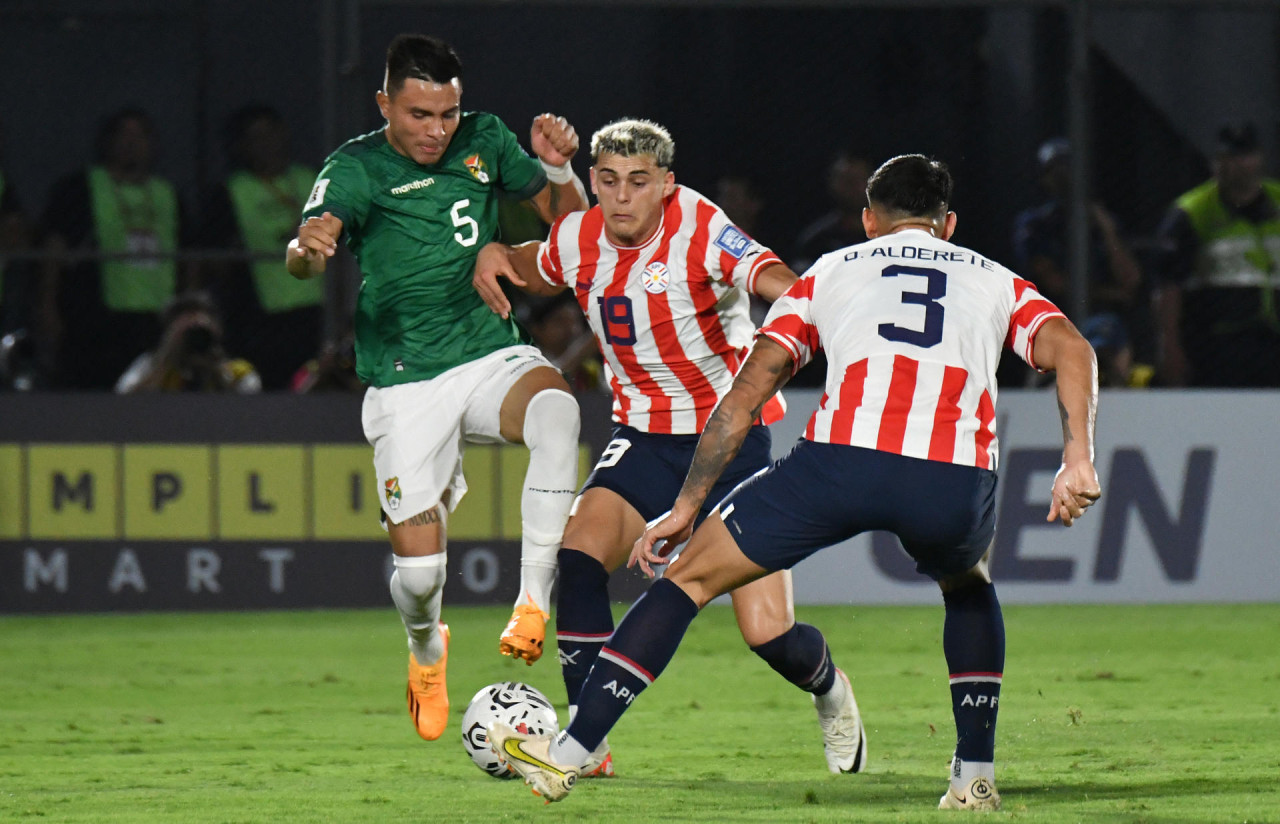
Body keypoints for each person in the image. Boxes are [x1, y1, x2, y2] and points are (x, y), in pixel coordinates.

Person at [490, 154, 1102, 811]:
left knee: (688, 579)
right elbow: (1072, 349)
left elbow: (745, 397)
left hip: (840, 462)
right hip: (951, 475)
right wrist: (1078, 457)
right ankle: (974, 776)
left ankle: (569, 756)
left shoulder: (831, 270)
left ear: (868, 221)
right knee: (968, 585)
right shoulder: (996, 279)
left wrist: (686, 507)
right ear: (947, 224)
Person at [473, 119, 866, 781]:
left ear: (666, 185)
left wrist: (818, 307)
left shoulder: (701, 228)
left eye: (638, 182)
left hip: (728, 445)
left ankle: (830, 690)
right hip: (643, 438)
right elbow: (537, 270)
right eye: (608, 182)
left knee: (768, 634)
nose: (621, 197)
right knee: (577, 558)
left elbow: (767, 273)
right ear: (593, 182)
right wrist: (495, 254)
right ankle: (586, 743)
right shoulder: (580, 236)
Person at [286, 34, 589, 743]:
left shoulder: (484, 140)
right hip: (405, 382)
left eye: (447, 114)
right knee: (421, 578)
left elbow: (573, 226)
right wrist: (308, 250)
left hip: (486, 353)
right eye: (419, 114)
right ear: (385, 103)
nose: (436, 131)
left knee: (558, 412)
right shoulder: (355, 167)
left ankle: (532, 601)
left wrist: (559, 167)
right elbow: (305, 252)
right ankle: (427, 649)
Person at [38, 107, 189, 389]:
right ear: (106, 142)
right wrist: (48, 305)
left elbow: (189, 255)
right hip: (95, 318)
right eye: (123, 135)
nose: (131, 143)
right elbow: (54, 246)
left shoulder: (167, 193)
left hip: (155, 319)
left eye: (140, 135)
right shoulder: (79, 187)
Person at [201, 105, 324, 389]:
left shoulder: (313, 180)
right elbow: (216, 258)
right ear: (242, 146)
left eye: (272, 134)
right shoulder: (231, 191)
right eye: (256, 137)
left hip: (313, 309)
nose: (267, 144)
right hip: (259, 316)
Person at [1154, 123, 1280, 387]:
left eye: (1244, 156)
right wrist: (1171, 347)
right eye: (1229, 157)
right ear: (1217, 162)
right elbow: (1169, 286)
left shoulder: (1276, 201)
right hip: (1218, 343)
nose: (1238, 165)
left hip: (1272, 337)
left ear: (1259, 159)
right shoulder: (1193, 212)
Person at [115, 291, 261, 393]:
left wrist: (216, 369)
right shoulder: (149, 365)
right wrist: (165, 357)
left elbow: (251, 406)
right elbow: (122, 402)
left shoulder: (239, 371)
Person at [790, 149, 871, 274]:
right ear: (832, 184)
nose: (853, 187)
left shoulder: (890, 234)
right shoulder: (816, 240)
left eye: (859, 179)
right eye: (846, 180)